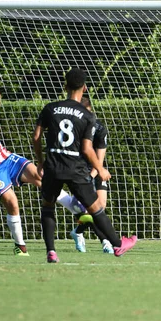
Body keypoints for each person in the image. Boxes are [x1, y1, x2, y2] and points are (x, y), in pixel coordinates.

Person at [0, 84, 88, 256]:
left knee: (41, 176)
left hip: (7, 159)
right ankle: (20, 246)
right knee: (12, 204)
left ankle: (77, 210)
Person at [32, 68, 136, 263]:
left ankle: (51, 252)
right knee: (96, 208)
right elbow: (88, 149)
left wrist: (40, 162)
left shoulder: (50, 108)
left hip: (53, 165)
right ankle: (117, 243)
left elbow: (36, 137)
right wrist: (101, 169)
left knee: (48, 207)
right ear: (85, 88)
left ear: (65, 86)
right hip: (75, 169)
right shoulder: (88, 116)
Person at [69, 94, 114, 254]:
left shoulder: (100, 129)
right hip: (78, 171)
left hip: (96, 169)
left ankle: (78, 232)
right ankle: (106, 242)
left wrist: (93, 175)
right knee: (91, 211)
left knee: (100, 207)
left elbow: (99, 159)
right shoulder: (71, 129)